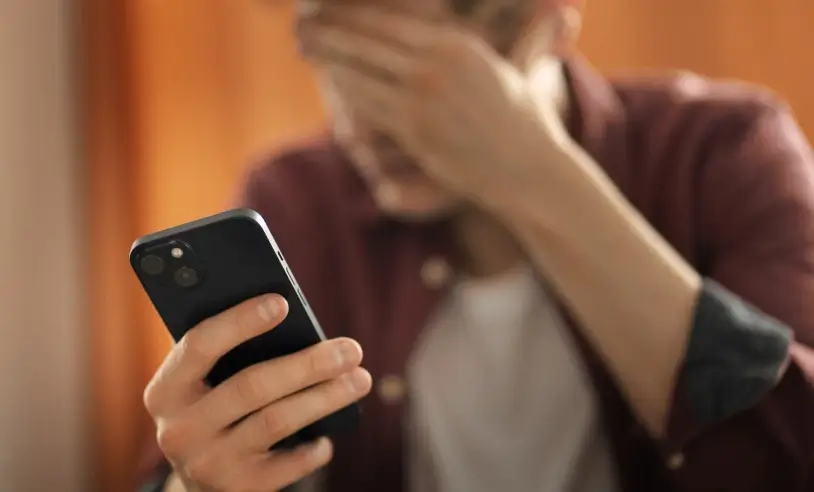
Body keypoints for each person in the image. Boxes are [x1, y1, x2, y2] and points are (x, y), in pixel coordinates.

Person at [137, 0, 814, 490]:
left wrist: (531, 170)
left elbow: (790, 457)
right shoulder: (296, 198)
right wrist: (194, 482)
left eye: (398, 76)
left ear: (545, 24)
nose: (357, 126)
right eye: (334, 68)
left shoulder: (725, 152)